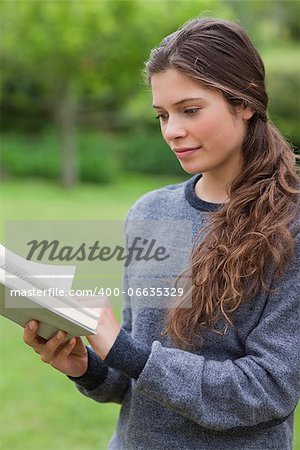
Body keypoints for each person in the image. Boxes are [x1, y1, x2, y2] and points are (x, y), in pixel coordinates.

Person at [23, 17, 300, 450]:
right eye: (163, 115)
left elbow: (267, 391)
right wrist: (87, 366)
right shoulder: (152, 212)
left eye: (189, 110)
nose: (171, 131)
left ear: (244, 101)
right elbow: (133, 374)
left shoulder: (291, 224)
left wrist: (126, 352)